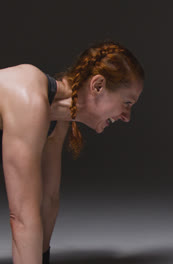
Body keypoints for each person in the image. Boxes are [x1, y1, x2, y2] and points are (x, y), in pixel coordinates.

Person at [0, 41, 144, 264]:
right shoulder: (29, 97)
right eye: (127, 102)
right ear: (97, 86)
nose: (127, 116)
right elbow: (21, 217)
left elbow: (49, 199)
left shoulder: (56, 118)